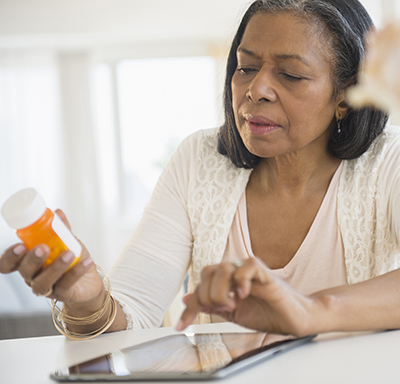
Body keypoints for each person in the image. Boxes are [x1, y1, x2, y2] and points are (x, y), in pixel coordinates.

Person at [0, 0, 398, 339]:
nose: (256, 89)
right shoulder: (198, 159)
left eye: (291, 75)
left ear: (344, 96)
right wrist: (88, 300)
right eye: (245, 68)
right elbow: (131, 318)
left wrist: (311, 310)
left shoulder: (388, 162)